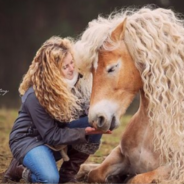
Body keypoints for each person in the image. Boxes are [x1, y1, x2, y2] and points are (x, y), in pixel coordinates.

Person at [3, 36, 111, 183]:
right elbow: (51, 135)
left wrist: (97, 118)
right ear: (52, 72)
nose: (72, 69)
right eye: (65, 67)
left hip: (55, 133)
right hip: (30, 140)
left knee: (94, 121)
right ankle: (20, 169)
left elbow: (82, 114)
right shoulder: (35, 95)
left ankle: (67, 175)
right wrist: (83, 132)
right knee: (50, 179)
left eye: (71, 62)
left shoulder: (74, 82)